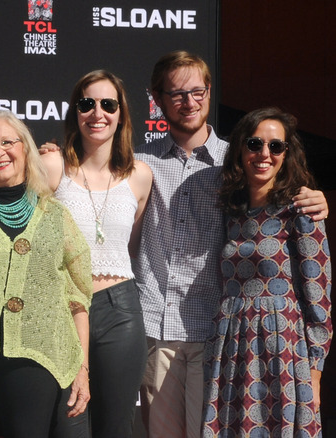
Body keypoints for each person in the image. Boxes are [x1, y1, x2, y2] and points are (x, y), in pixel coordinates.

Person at [134, 50, 329, 438]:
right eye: (176, 93)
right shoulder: (139, 162)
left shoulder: (239, 159)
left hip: (218, 336)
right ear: (156, 98)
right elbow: (89, 172)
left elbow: (314, 287)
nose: (188, 102)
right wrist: (54, 155)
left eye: (196, 91)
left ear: (209, 92)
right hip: (158, 326)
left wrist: (314, 199)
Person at [0, 110, 92, 438]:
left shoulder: (55, 216)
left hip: (38, 360)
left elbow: (77, 299)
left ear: (25, 148)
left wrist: (82, 370)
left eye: (7, 142)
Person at [203, 107, 332, 437]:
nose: (264, 154)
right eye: (255, 143)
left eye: (276, 146)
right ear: (241, 150)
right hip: (232, 343)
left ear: (287, 154)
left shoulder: (300, 209)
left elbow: (318, 294)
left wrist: (314, 372)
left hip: (283, 349)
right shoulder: (232, 211)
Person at [40, 70, 152, 437]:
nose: (97, 113)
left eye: (108, 104)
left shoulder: (140, 176)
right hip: (64, 309)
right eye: (87, 104)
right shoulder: (53, 167)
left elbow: (129, 246)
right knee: (69, 420)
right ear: (75, 112)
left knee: (116, 427)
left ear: (121, 114)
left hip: (121, 311)